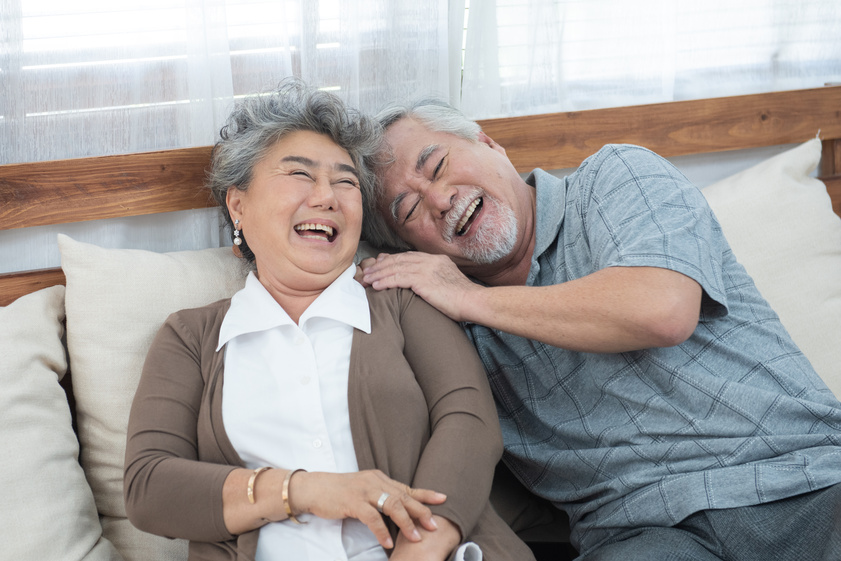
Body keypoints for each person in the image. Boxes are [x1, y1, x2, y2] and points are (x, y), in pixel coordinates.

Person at [359, 98, 841, 561]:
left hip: (803, 484)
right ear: (408, 249)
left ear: (490, 144)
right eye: (408, 210)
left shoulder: (615, 176)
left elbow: (662, 308)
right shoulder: (441, 320)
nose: (441, 199)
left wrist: (470, 299)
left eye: (438, 165)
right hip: (643, 536)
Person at [123, 80, 536, 561]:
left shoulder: (402, 299)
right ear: (239, 205)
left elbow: (469, 420)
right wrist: (304, 490)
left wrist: (422, 547)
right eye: (300, 174)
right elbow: (149, 486)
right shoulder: (190, 338)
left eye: (346, 182)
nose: (327, 197)